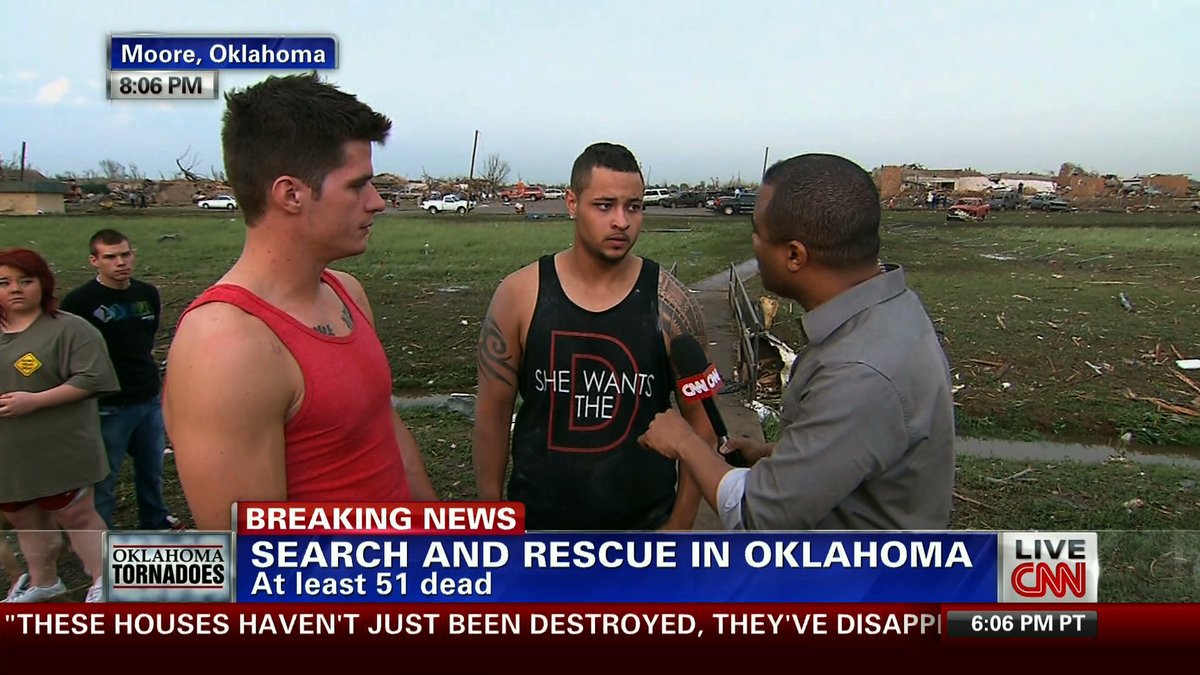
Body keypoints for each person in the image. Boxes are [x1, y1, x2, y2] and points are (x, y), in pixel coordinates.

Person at [163, 73, 437, 530]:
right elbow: (254, 554)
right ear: (291, 194)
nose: (377, 203)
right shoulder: (227, 347)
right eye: (357, 185)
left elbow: (383, 431)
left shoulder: (346, 293)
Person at [638, 153, 955, 530]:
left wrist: (685, 442)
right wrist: (776, 456)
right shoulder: (889, 313)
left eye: (757, 232)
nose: (753, 243)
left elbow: (757, 514)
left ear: (794, 255)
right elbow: (862, 444)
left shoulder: (858, 371)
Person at [473, 142, 714, 531]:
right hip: (539, 529)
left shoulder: (671, 303)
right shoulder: (519, 295)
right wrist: (492, 517)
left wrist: (680, 525)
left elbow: (703, 426)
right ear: (572, 203)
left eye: (633, 207)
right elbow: (491, 415)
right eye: (604, 206)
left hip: (645, 531)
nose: (621, 221)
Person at [0, 248, 118, 602]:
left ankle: (105, 579)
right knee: (25, 519)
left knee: (76, 514)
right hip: (9, 454)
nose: (15, 289)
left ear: (44, 283)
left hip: (59, 447)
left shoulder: (69, 329)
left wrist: (34, 401)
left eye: (25, 281)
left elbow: (92, 379)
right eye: (4, 283)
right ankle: (44, 581)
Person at [60, 229, 181, 531]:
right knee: (105, 476)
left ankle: (155, 520)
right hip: (108, 404)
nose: (120, 262)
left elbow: (146, 338)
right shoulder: (79, 302)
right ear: (94, 261)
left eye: (125, 254)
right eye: (110, 257)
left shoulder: (147, 293)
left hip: (148, 397)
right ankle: (101, 533)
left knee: (152, 468)